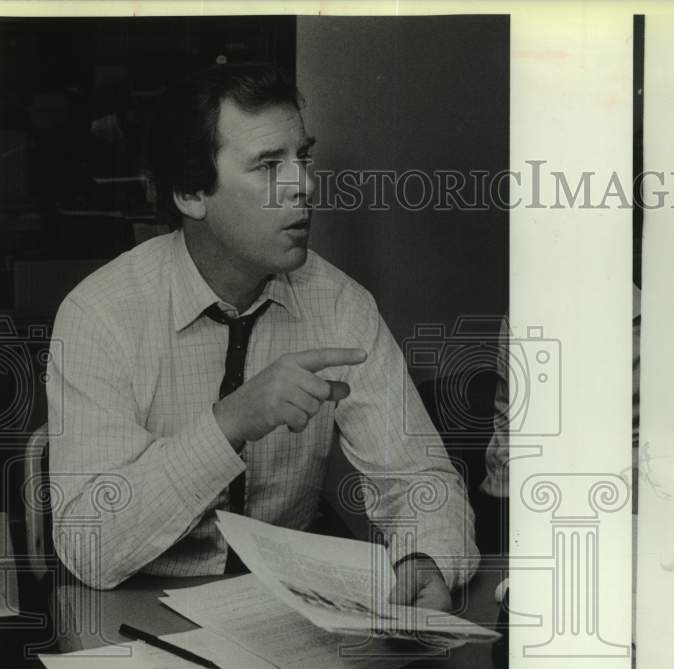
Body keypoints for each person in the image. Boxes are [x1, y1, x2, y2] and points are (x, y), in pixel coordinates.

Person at [47, 63, 478, 608]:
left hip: (285, 610)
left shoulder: (342, 304)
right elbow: (91, 549)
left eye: (302, 157)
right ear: (189, 193)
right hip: (135, 615)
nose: (304, 184)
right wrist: (231, 421)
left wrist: (425, 557)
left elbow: (420, 479)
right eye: (268, 165)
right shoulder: (101, 315)